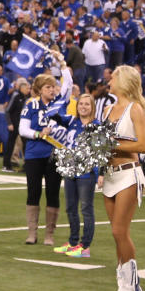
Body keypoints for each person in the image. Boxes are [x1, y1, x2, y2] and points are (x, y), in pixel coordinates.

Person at [97, 65, 145, 291]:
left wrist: (112, 147)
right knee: (116, 234)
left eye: (114, 76)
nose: (110, 80)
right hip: (109, 174)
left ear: (125, 81)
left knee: (120, 231)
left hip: (129, 173)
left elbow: (142, 146)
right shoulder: (108, 109)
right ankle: (124, 287)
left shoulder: (135, 109)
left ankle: (132, 287)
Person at [18, 52, 73, 246]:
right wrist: (39, 134)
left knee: (52, 192)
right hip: (34, 153)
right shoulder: (31, 104)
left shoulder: (59, 103)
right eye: (48, 87)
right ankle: (32, 233)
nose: (53, 89)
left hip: (54, 153)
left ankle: (49, 234)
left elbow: (68, 83)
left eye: (54, 86)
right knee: (33, 192)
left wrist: (62, 62)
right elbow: (22, 129)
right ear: (40, 90)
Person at [55, 92, 99, 257]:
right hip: (70, 169)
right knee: (70, 208)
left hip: (86, 172)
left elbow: (100, 151)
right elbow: (54, 114)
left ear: (92, 107)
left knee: (86, 209)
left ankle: (85, 246)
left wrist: (99, 173)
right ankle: (73, 242)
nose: (83, 107)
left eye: (87, 104)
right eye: (81, 104)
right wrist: (64, 97)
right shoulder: (72, 120)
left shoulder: (97, 125)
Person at [3, 77, 30, 172]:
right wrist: (9, 123)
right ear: (22, 88)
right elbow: (7, 111)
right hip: (14, 125)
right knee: (10, 145)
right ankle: (6, 165)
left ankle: (27, 166)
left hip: (22, 127)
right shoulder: (16, 96)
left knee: (26, 145)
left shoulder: (27, 98)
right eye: (27, 88)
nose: (28, 90)